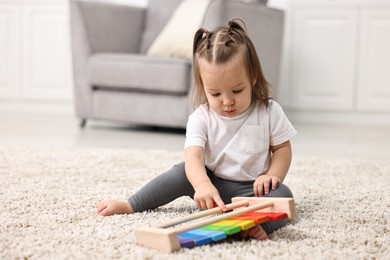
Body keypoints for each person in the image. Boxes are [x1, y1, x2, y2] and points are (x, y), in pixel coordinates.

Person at [97, 18, 297, 240]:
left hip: (253, 191)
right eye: (216, 94)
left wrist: (272, 176)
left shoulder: (269, 111)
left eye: (237, 91)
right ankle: (132, 204)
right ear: (204, 87)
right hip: (213, 188)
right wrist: (202, 185)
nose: (227, 101)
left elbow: (282, 149)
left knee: (284, 195)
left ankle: (258, 226)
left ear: (253, 78)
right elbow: (194, 156)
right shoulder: (201, 118)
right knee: (181, 171)